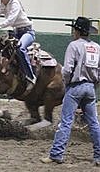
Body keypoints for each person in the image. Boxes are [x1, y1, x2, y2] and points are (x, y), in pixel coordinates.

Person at [40, 16, 100, 166]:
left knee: (66, 122)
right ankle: (98, 156)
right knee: (94, 123)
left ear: (77, 31)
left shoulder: (74, 46)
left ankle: (56, 154)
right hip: (91, 88)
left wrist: (67, 84)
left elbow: (67, 70)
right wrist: (94, 86)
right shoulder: (97, 47)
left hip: (76, 86)